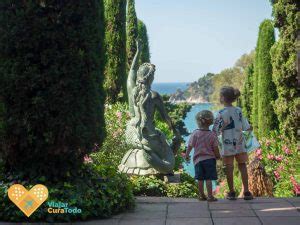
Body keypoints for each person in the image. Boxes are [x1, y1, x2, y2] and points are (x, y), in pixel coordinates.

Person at [212, 86, 253, 200]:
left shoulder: (221, 113)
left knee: (229, 167)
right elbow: (247, 127)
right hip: (240, 143)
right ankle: (246, 191)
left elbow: (215, 131)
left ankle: (231, 192)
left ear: (223, 98)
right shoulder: (238, 110)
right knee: (242, 165)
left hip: (227, 144)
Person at [185, 110, 220, 202]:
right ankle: (210, 196)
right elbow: (215, 148)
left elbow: (190, 145)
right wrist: (218, 156)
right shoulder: (212, 135)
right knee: (208, 178)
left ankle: (201, 196)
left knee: (200, 179)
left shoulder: (195, 133)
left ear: (198, 122)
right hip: (210, 160)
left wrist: (187, 154)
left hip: (198, 161)